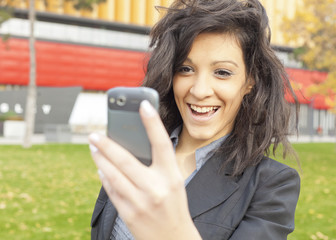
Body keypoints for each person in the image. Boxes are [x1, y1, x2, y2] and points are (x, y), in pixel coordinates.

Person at [88, 0, 301, 239]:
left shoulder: (271, 185)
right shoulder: (135, 156)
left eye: (222, 72)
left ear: (249, 82)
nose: (199, 91)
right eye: (185, 69)